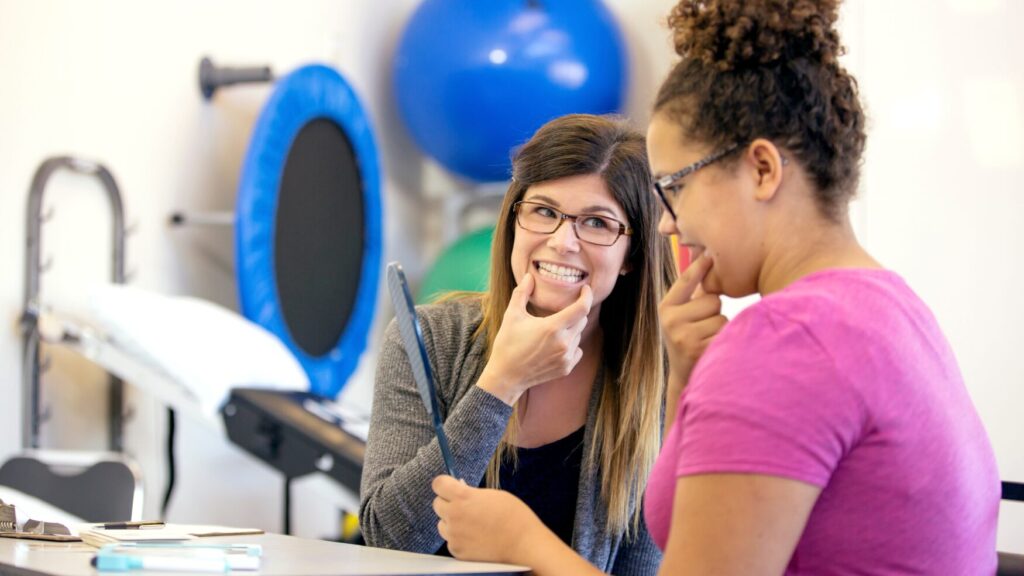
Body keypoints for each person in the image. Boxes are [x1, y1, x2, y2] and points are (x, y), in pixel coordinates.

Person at [431, 1, 1001, 574]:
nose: (667, 223)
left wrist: (525, 543)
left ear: (761, 170)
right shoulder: (890, 305)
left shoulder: (786, 343)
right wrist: (687, 377)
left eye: (675, 187)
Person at [360, 113, 674, 574]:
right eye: (544, 211)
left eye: (596, 222)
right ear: (513, 220)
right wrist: (501, 383)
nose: (562, 241)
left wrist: (524, 543)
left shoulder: (657, 384)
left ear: (633, 255)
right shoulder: (433, 338)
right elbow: (387, 537)